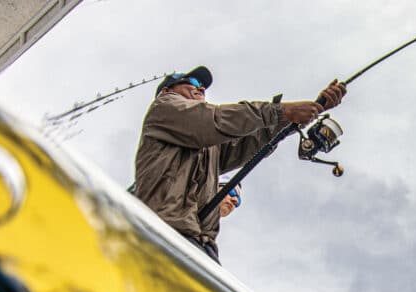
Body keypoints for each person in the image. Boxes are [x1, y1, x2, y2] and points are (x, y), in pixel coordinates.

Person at [133, 66, 346, 264]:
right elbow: (218, 119)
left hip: (198, 248)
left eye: (204, 87)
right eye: (194, 82)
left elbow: (251, 142)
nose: (201, 88)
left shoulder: (209, 146)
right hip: (161, 233)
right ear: (167, 90)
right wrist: (280, 111)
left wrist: (306, 112)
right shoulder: (164, 108)